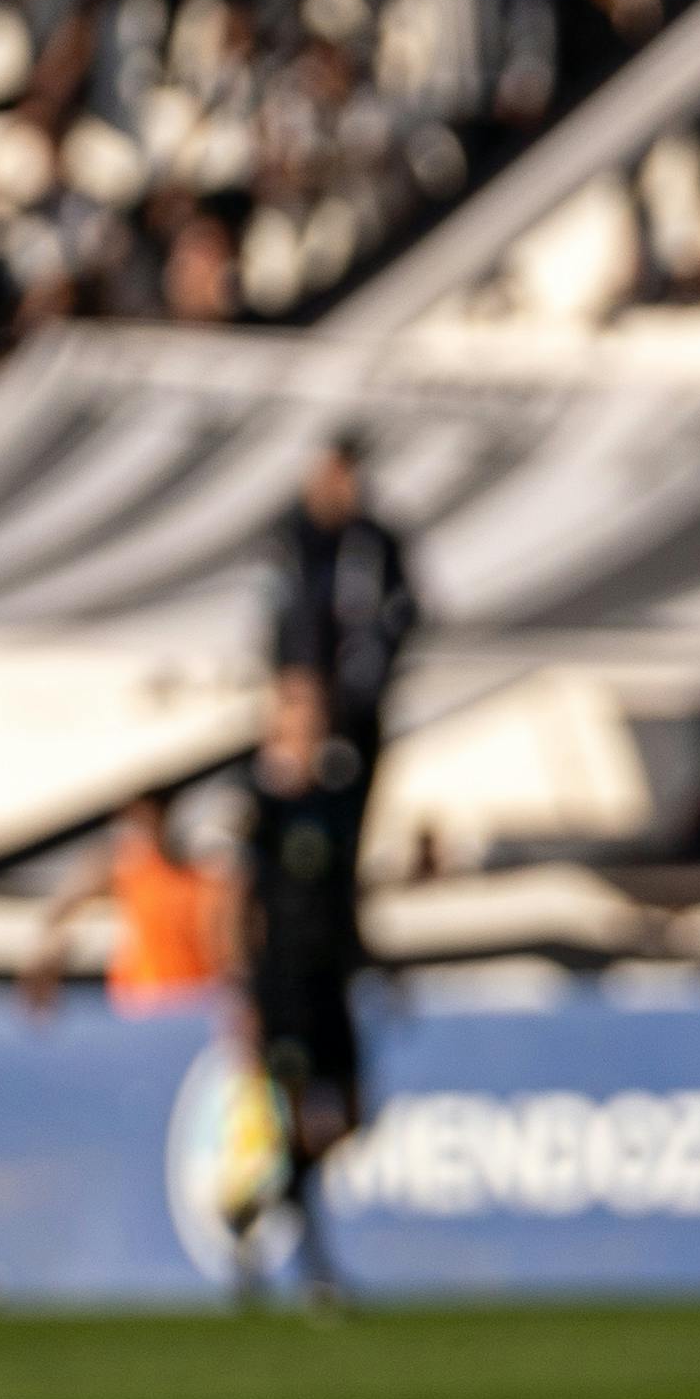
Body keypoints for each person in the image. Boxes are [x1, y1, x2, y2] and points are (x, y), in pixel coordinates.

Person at [223, 663, 372, 1301]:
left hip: (331, 978)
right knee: (293, 1116)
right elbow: (235, 900)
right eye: (299, 711)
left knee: (351, 1112)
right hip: (281, 979)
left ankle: (263, 1204)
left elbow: (346, 891)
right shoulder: (259, 802)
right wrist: (240, 987)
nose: (310, 724)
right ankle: (314, 1267)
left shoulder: (339, 796)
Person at [271, 431, 416, 743]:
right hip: (304, 690)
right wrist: (292, 675)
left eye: (341, 475)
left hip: (356, 695)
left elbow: (404, 609)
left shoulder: (374, 543)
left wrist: (372, 662)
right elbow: (281, 612)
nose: (331, 485)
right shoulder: (292, 540)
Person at [24, 785, 223, 1011]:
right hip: (143, 999)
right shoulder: (127, 865)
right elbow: (63, 906)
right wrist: (49, 959)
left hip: (197, 997)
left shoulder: (202, 869)